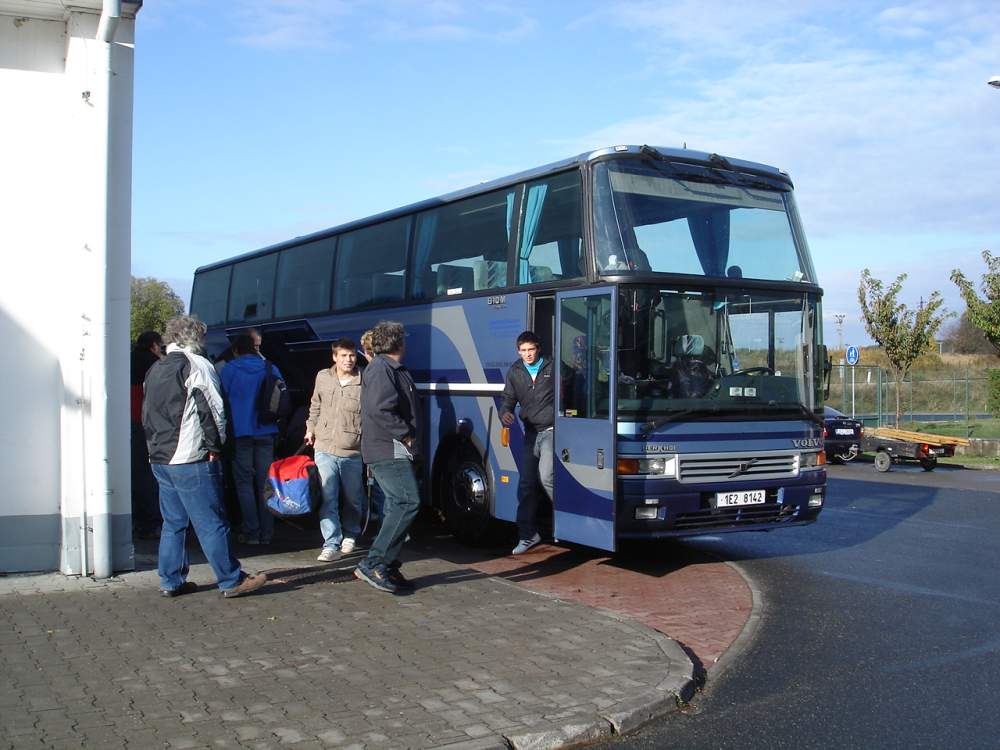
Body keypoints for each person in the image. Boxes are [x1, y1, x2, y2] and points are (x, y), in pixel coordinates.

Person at [142, 315, 266, 599]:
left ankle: (170, 580)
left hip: (160, 456)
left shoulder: (155, 369)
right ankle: (230, 579)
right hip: (190, 455)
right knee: (211, 520)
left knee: (174, 522)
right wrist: (216, 447)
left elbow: (147, 413)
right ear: (195, 337)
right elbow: (214, 410)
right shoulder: (198, 365)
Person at [354, 321, 420, 593]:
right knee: (408, 501)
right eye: (403, 338)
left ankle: (387, 564)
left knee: (396, 503)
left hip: (390, 447)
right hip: (388, 447)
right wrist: (405, 434)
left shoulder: (387, 368)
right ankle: (375, 562)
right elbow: (380, 409)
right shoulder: (383, 369)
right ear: (397, 343)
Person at [305, 338, 365, 561]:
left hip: (352, 451)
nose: (348, 360)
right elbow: (315, 405)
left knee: (353, 498)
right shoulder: (323, 377)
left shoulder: (364, 381)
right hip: (324, 447)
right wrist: (310, 428)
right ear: (334, 357)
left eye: (352, 355)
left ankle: (351, 534)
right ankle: (330, 543)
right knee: (328, 497)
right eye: (343, 356)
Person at [220, 333, 283, 545]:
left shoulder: (229, 369)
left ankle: (251, 532)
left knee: (243, 483)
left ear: (236, 349)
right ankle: (268, 532)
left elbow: (221, 399)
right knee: (265, 484)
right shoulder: (270, 368)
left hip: (240, 433)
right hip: (266, 430)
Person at [500, 330, 554, 555]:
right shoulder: (515, 371)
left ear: (538, 349)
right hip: (530, 433)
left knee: (547, 477)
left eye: (531, 350)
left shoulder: (553, 367)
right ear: (518, 351)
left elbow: (575, 387)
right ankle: (528, 535)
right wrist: (506, 413)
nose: (528, 355)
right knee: (526, 484)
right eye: (523, 351)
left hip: (552, 431)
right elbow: (508, 400)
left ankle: (569, 522)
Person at [130, 330, 164, 539]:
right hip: (151, 424)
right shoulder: (157, 366)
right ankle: (153, 520)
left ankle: (140, 520)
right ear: (153, 345)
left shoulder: (127, 361)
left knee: (137, 473)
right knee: (152, 475)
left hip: (131, 422)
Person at [360, 328, 385, 526]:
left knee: (379, 486)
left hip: (376, 440)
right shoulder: (389, 368)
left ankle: (388, 527)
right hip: (385, 440)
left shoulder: (373, 371)